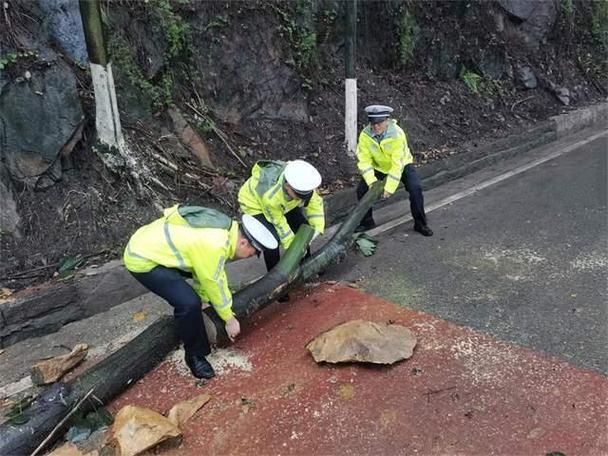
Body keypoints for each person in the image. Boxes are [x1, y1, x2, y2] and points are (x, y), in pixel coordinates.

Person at [123, 205, 277, 379]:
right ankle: (195, 356)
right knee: (188, 303)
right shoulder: (215, 243)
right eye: (251, 253)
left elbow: (207, 270)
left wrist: (205, 298)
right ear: (243, 242)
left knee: (204, 284)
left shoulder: (228, 230)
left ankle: (199, 311)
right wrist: (229, 318)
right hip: (143, 259)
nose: (249, 256)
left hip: (149, 244)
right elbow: (213, 280)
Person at [355, 104, 433, 236]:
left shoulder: (397, 134)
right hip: (379, 166)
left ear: (387, 120)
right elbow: (364, 161)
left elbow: (397, 165)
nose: (376, 127)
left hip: (402, 164)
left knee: (415, 188)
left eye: (379, 123)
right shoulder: (365, 135)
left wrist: (389, 188)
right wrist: (372, 183)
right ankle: (367, 222)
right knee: (361, 190)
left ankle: (420, 224)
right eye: (373, 123)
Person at [238, 159, 325, 272]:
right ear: (287, 186)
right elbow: (279, 224)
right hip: (255, 204)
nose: (300, 200)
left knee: (302, 227)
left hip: (283, 204)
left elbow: (315, 206)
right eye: (298, 196)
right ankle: (275, 275)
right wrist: (294, 248)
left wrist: (316, 230)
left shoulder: (303, 185)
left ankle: (306, 266)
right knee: (271, 240)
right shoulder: (272, 197)